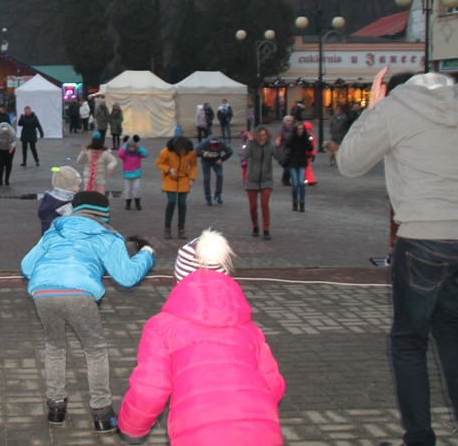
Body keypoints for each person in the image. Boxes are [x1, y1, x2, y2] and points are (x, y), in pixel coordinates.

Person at [329, 69, 458, 446]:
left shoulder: (394, 108)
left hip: (426, 236)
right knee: (449, 322)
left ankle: (419, 438)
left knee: (408, 339)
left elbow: (349, 164)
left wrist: (372, 111)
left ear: (392, 89)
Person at [118, 230, 285, 445]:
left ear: (178, 279)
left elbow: (150, 389)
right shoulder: (249, 329)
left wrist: (132, 429)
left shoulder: (161, 327)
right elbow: (274, 385)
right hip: (262, 435)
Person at [21, 191, 154, 436]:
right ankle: (102, 414)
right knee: (95, 350)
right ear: (104, 214)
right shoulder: (107, 236)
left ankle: (56, 408)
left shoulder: (55, 231)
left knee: (55, 346)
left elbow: (27, 266)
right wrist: (146, 253)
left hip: (43, 292)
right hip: (79, 294)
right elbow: (127, 277)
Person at [242, 126, 284, 240]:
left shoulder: (270, 145)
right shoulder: (252, 144)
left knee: (264, 204)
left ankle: (266, 229)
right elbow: (244, 155)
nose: (262, 138)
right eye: (260, 136)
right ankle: (255, 226)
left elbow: (279, 158)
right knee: (253, 206)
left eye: (264, 135)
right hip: (252, 179)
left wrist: (278, 146)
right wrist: (250, 142)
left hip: (266, 179)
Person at [156, 136, 197, 240]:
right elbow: (159, 163)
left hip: (183, 178)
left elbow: (193, 165)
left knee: (182, 203)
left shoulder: (191, 152)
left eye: (185, 151)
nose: (183, 152)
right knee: (172, 201)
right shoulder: (166, 151)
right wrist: (169, 169)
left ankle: (181, 228)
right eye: (182, 150)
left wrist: (191, 178)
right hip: (169, 178)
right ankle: (167, 227)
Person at [38, 166, 80, 234]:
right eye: (76, 185)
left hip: (47, 236)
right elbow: (69, 228)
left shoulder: (50, 198)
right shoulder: (67, 205)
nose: (78, 188)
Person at [195, 134, 233, 206]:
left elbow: (230, 151)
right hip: (206, 161)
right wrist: (203, 153)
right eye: (213, 146)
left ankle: (218, 195)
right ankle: (208, 197)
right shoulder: (204, 143)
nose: (215, 149)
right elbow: (195, 151)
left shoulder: (222, 143)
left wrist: (222, 159)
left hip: (216, 160)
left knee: (220, 175)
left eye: (217, 147)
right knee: (206, 179)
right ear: (210, 144)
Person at [285, 121, 313, 212]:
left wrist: (307, 138)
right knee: (295, 183)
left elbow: (310, 148)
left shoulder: (305, 137)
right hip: (293, 162)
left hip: (301, 162)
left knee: (301, 182)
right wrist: (293, 136)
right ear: (296, 130)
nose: (300, 131)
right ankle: (294, 201)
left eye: (302, 129)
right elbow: (287, 144)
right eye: (299, 129)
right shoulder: (293, 137)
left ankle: (302, 202)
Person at [117, 135, 148, 211]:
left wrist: (139, 147)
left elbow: (145, 154)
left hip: (136, 174)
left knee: (137, 189)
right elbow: (119, 154)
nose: (132, 148)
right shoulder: (125, 155)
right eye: (130, 147)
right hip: (127, 175)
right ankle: (128, 204)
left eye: (133, 147)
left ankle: (137, 203)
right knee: (128, 190)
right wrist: (125, 145)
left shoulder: (138, 154)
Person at [0, 121, 18, 186]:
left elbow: (15, 140)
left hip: (9, 148)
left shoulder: (12, 132)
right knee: (1, 163)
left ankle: (7, 179)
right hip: (0, 148)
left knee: (9, 163)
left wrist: (12, 146)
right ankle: (0, 180)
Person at [304, 121, 318, 186]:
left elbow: (313, 146)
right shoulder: (311, 137)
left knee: (307, 167)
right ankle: (309, 180)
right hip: (304, 154)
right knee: (306, 168)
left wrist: (313, 154)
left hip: (307, 154)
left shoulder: (311, 137)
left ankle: (309, 180)